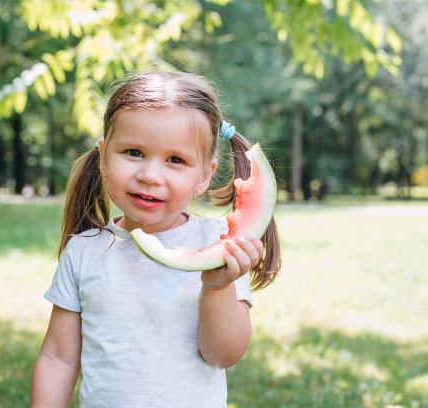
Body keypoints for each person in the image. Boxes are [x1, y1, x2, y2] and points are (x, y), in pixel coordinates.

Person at [30, 70, 281, 408]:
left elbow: (223, 355)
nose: (149, 176)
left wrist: (217, 288)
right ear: (103, 157)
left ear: (204, 175)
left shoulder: (219, 243)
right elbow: (58, 358)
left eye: (175, 160)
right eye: (133, 152)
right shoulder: (83, 250)